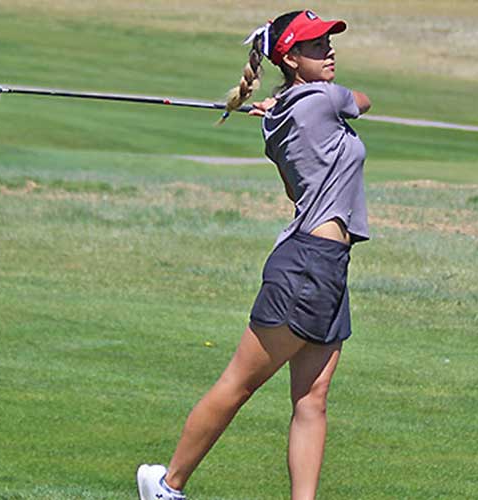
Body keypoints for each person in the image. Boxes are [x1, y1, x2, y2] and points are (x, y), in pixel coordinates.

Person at [137, 9, 371, 500]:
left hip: (327, 267)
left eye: (328, 42)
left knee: (313, 399)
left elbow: (295, 187)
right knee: (239, 383)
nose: (329, 51)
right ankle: (168, 486)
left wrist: (283, 103)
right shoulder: (321, 100)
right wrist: (295, 101)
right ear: (289, 57)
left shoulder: (283, 115)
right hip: (307, 264)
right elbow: (365, 102)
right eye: (315, 46)